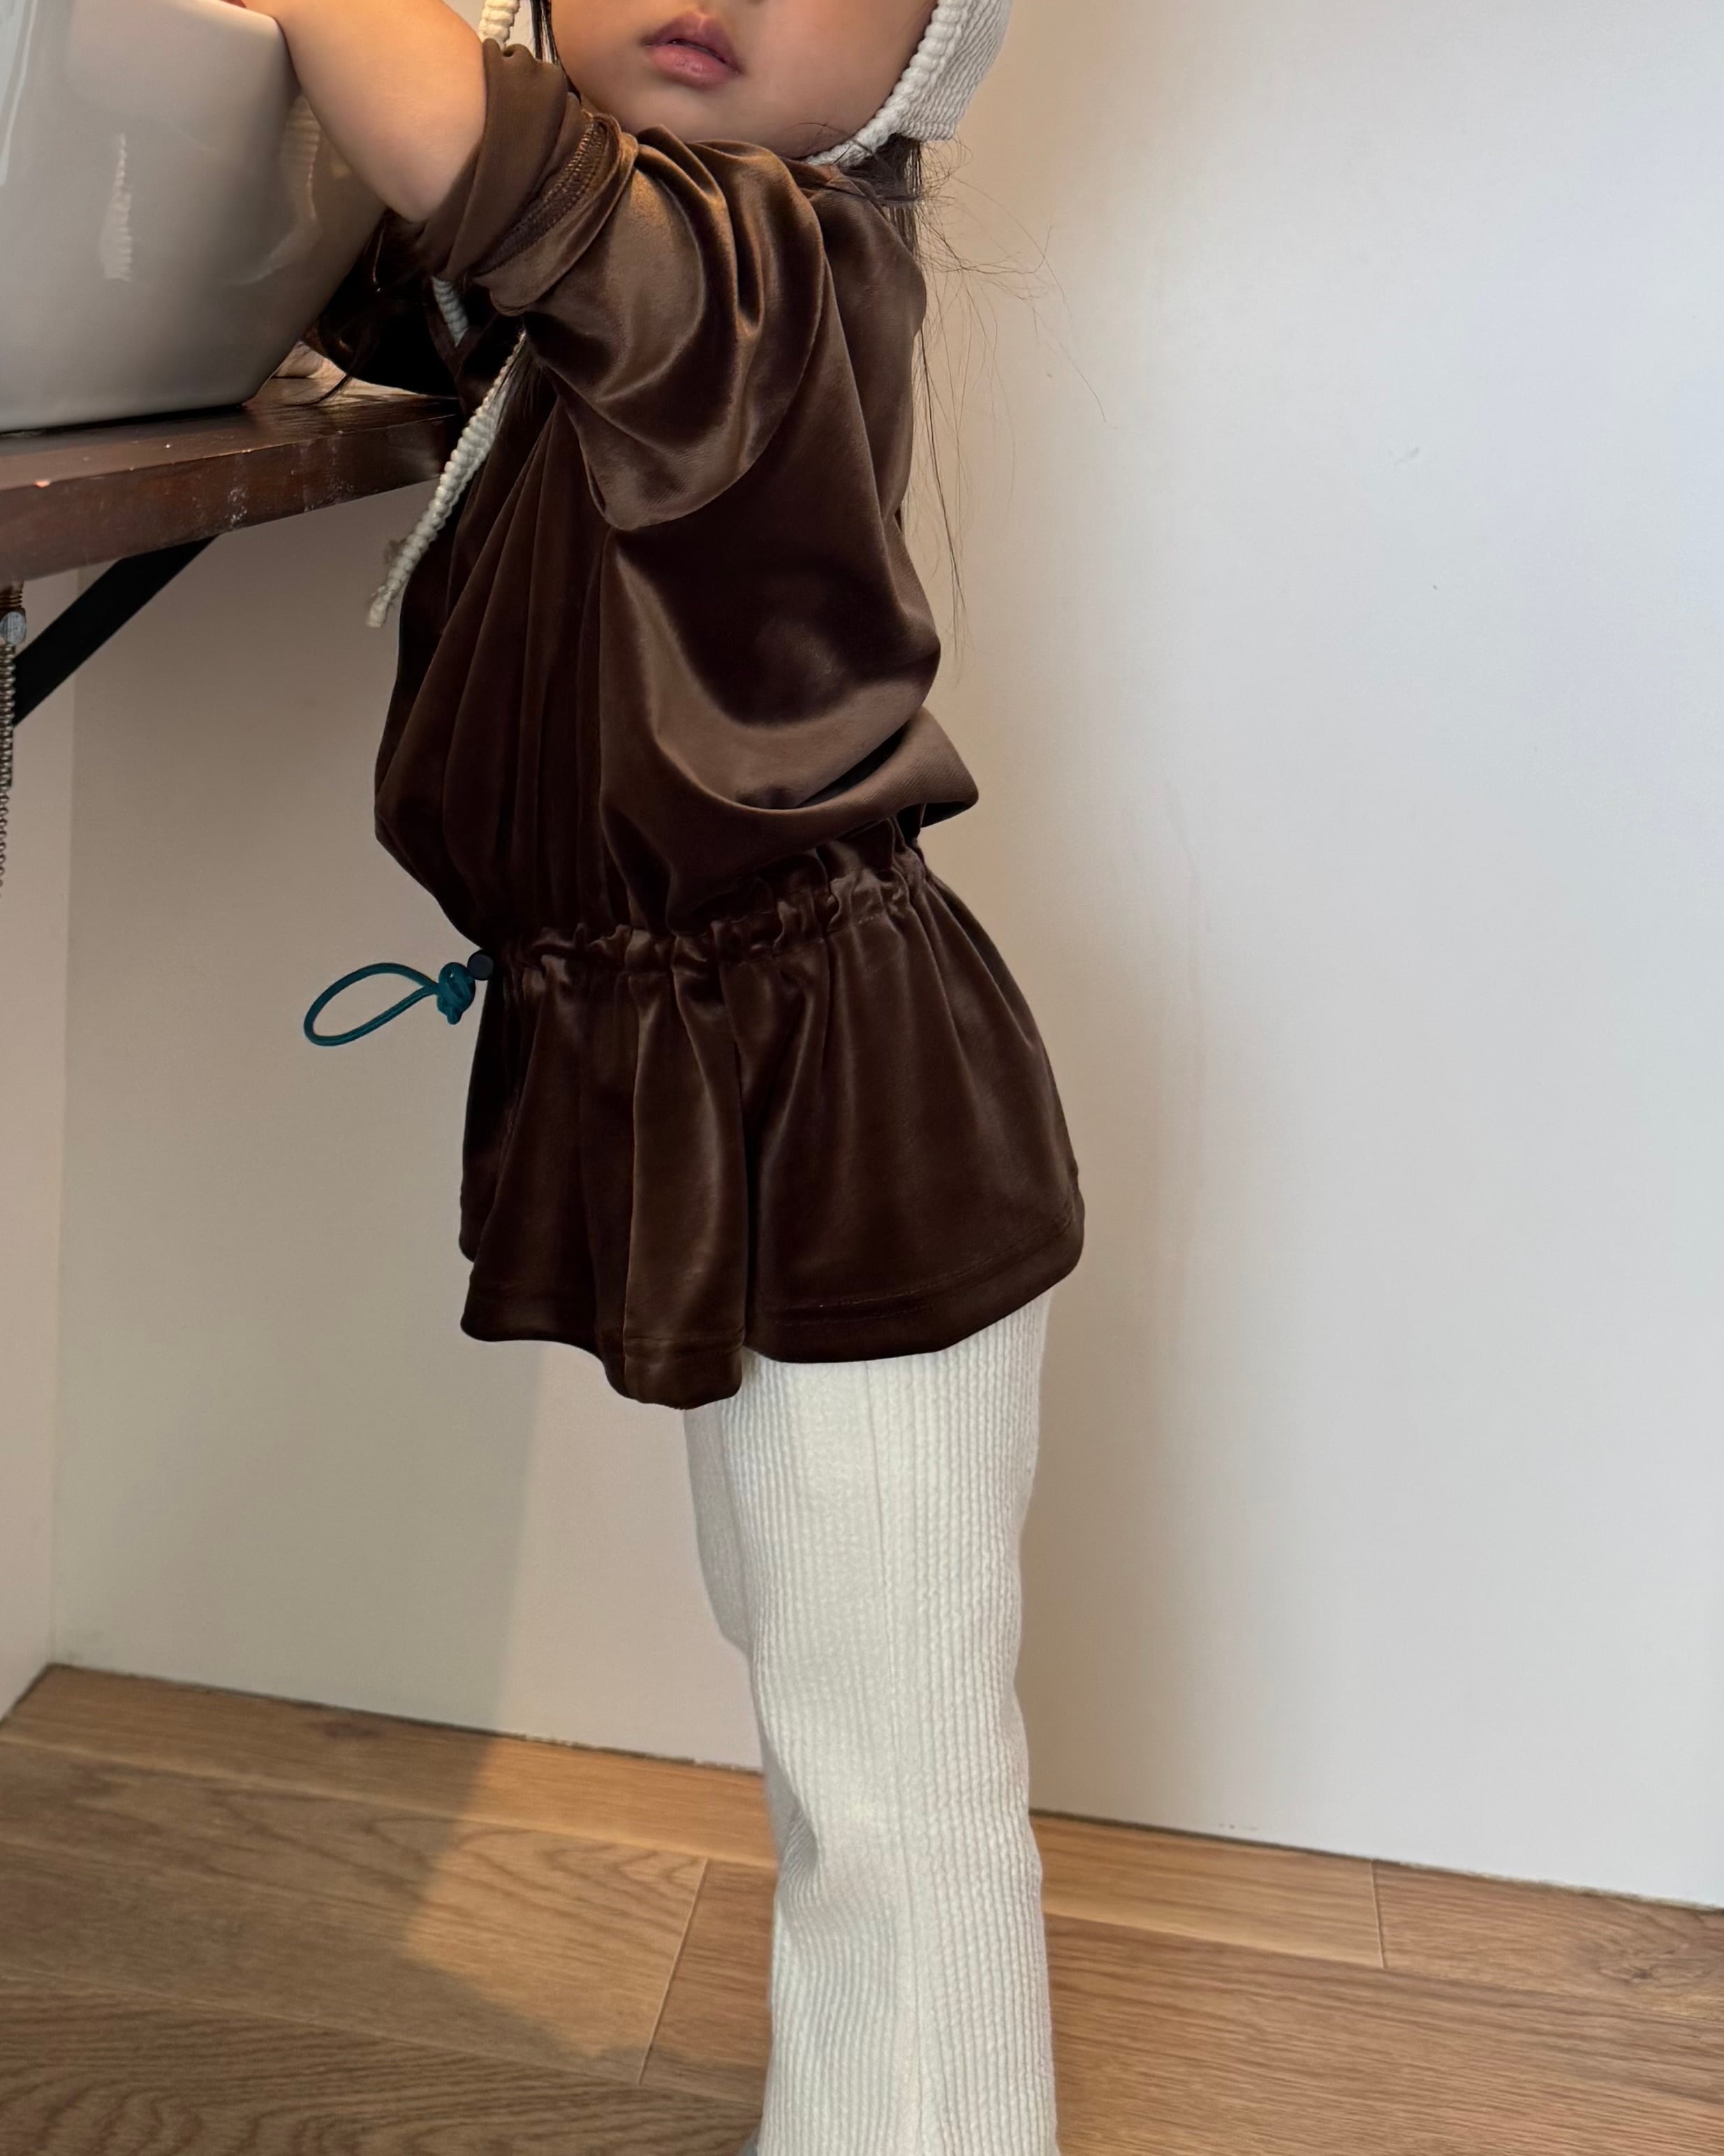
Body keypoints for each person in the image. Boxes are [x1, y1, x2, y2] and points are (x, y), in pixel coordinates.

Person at [228, 2, 1083, 2149]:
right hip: (744, 1049)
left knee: (891, 1762)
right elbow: (419, 254)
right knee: (816, 1658)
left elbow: (446, 127)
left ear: (927, 54)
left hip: (853, 1104)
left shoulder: (765, 264)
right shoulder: (625, 284)